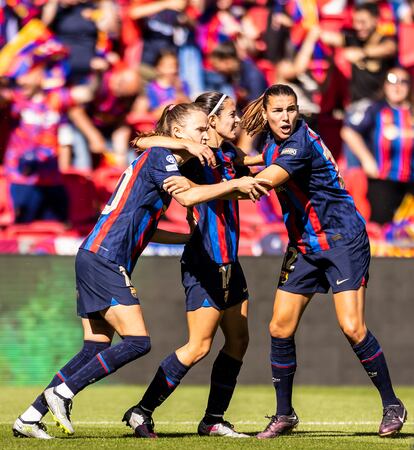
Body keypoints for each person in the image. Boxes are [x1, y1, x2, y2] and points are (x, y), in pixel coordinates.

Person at [12, 102, 268, 439]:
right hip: (104, 257)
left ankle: (29, 418)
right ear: (178, 134)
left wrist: (186, 237)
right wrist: (233, 187)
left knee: (95, 347)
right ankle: (63, 392)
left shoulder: (164, 155)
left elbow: (146, 224)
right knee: (137, 342)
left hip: (94, 254)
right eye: (199, 131)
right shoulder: (162, 157)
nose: (205, 136)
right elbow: (188, 197)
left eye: (207, 131)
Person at [240, 84, 407, 439]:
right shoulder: (273, 143)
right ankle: (284, 415)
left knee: (352, 327)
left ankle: (393, 404)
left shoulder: (299, 143)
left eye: (291, 109)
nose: (286, 118)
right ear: (266, 114)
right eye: (278, 111)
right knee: (279, 328)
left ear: (298, 111)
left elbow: (268, 179)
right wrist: (220, 157)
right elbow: (258, 159)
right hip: (305, 245)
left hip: (342, 240)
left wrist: (214, 185)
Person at [122, 92, 268, 439]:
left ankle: (213, 419)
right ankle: (141, 411)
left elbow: (257, 162)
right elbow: (142, 141)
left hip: (230, 261)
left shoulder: (229, 154)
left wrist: (295, 150)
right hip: (204, 259)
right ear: (211, 120)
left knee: (238, 341)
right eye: (231, 115)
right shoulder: (190, 155)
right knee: (198, 346)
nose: (237, 121)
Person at [341, 66, 414, 224]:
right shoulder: (376, 109)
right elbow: (349, 132)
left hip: (410, 181)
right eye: (392, 81)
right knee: (382, 227)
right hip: (384, 179)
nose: (397, 86)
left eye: (403, 82)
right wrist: (367, 159)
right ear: (385, 85)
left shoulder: (412, 112)